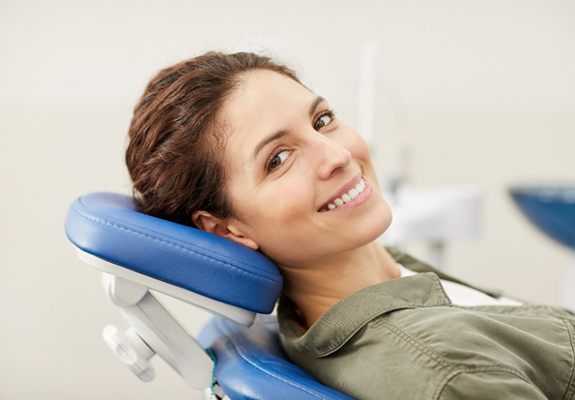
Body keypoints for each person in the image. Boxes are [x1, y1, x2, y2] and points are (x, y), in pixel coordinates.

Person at [125, 51, 575, 399]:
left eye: (322, 120)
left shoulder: (387, 272)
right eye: (279, 159)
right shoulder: (449, 374)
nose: (337, 155)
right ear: (226, 230)